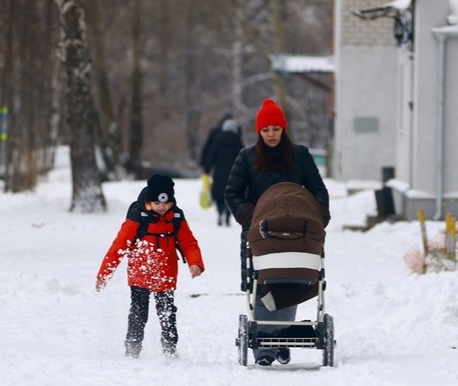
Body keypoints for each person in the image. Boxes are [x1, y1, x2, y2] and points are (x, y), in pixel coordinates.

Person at [224, 98, 330, 367]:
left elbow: (318, 189)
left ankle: (281, 340)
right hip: (260, 231)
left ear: (284, 130)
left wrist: (318, 216)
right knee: (264, 281)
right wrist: (251, 218)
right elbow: (232, 193)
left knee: (292, 278)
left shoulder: (300, 156)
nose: (271, 134)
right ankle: (266, 348)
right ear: (258, 132)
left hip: (296, 230)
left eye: (275, 129)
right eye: (266, 129)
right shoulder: (247, 158)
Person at [96, 174, 205, 359]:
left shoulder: (176, 217)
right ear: (149, 201)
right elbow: (118, 246)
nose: (162, 207)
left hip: (166, 274)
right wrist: (104, 274)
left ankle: (170, 348)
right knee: (138, 314)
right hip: (140, 273)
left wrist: (195, 263)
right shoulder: (138, 217)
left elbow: (188, 242)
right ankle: (132, 348)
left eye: (166, 203)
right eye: (157, 203)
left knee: (168, 314)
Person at [202, 118, 244, 226]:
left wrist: (207, 168)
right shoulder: (238, 142)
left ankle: (220, 213)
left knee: (219, 194)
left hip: (219, 173)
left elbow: (212, 156)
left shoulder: (218, 141)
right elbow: (243, 158)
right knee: (231, 194)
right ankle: (228, 216)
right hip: (233, 173)